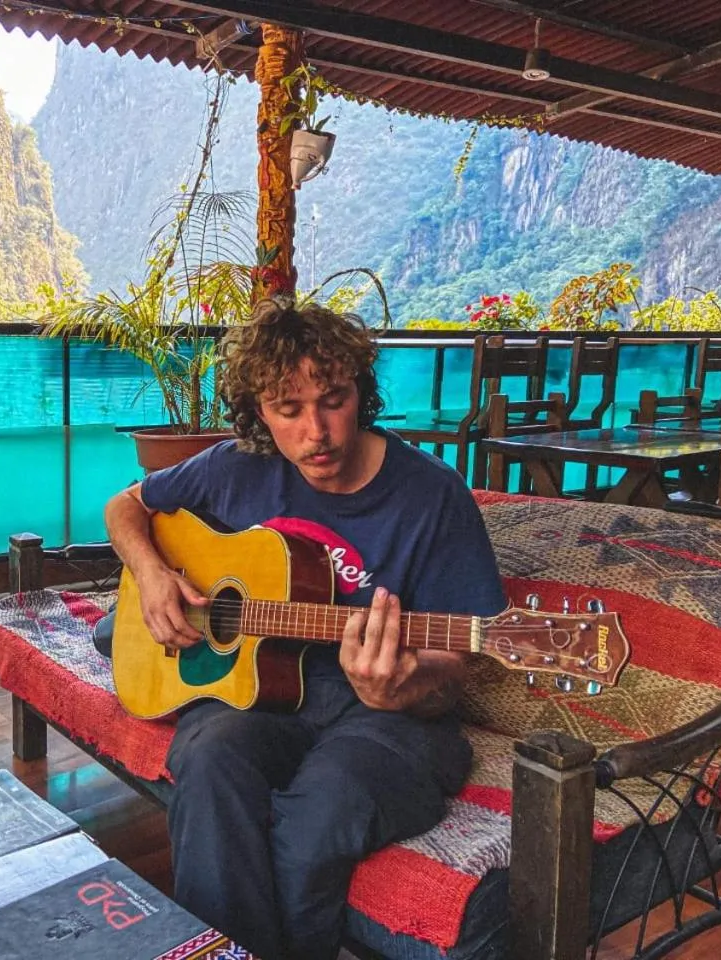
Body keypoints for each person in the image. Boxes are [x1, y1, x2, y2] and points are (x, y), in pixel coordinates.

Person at [103, 298, 506, 960]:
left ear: (360, 393)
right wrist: (150, 573)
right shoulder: (235, 467)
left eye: (333, 399)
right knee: (206, 763)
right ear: (260, 412)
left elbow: (454, 667)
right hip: (262, 694)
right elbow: (126, 506)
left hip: (385, 720)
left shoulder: (431, 496)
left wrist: (402, 688)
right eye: (287, 410)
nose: (315, 430)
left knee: (322, 810)